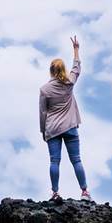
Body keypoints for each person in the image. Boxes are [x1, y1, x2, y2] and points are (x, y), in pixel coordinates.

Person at [39, 35, 92, 202]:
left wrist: (43, 131)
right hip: (70, 127)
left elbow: (43, 112)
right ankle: (84, 192)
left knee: (54, 161)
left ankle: (55, 193)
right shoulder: (69, 83)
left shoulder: (44, 89)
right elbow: (76, 67)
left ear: (51, 70)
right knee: (76, 160)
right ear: (63, 69)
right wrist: (76, 49)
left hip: (53, 129)